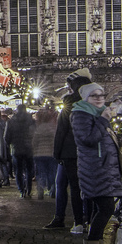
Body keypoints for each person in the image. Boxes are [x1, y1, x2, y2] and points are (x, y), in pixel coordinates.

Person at [71, 83, 122, 244]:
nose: (99, 98)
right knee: (106, 206)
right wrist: (103, 119)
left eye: (101, 94)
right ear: (87, 98)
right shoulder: (80, 115)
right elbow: (89, 139)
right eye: (95, 95)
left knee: (101, 207)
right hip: (94, 169)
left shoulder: (95, 114)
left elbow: (103, 139)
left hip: (103, 169)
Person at [45, 69, 90, 232]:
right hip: (85, 152)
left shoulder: (69, 102)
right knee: (82, 187)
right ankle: (84, 220)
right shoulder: (92, 102)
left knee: (70, 186)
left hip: (69, 152)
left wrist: (56, 153)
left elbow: (61, 130)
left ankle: (75, 221)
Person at [7, 102, 36, 198]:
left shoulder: (11, 121)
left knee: (18, 170)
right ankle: (29, 188)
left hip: (16, 148)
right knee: (29, 169)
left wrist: (9, 144)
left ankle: (21, 189)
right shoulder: (31, 120)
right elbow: (35, 134)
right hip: (29, 148)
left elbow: (6, 136)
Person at [33, 104, 59, 200]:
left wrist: (34, 151)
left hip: (39, 154)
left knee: (41, 173)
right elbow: (55, 142)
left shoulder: (39, 128)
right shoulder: (53, 128)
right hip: (51, 154)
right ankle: (52, 190)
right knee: (52, 173)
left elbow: (34, 142)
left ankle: (40, 190)